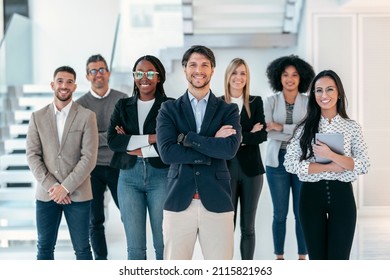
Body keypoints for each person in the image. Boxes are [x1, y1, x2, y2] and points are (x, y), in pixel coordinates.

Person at [156, 45, 242, 260]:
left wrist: (188, 139)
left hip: (217, 201)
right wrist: (213, 144)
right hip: (178, 201)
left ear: (213, 70)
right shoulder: (169, 109)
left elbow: (229, 149)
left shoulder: (228, 110)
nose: (199, 70)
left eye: (205, 65)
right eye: (193, 64)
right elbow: (167, 153)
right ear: (184, 69)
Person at [284, 70, 370, 260]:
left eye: (330, 89)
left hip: (342, 197)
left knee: (339, 260)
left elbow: (364, 164)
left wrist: (330, 155)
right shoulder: (303, 128)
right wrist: (330, 166)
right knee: (317, 260)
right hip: (310, 197)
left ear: (339, 92)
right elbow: (289, 163)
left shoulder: (352, 127)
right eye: (319, 90)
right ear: (313, 95)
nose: (324, 95)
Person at [26, 66, 98, 260]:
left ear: (74, 86)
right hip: (46, 194)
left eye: (69, 82)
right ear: (52, 84)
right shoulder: (37, 117)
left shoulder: (87, 116)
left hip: (79, 194)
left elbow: (89, 157)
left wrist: (65, 187)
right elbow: (32, 155)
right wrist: (54, 187)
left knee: (82, 249)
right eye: (60, 81)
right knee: (44, 248)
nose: (64, 86)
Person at [107, 55, 171, 260]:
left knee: (163, 244)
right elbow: (113, 141)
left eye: (151, 73)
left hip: (161, 175)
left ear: (159, 77)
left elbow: (173, 142)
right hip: (128, 177)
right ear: (134, 76)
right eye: (139, 73)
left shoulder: (170, 106)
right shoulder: (122, 105)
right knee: (135, 248)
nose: (145, 77)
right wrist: (153, 137)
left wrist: (133, 142)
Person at [76, 54, 128, 260]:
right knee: (94, 220)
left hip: (119, 165)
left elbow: (127, 133)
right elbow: (82, 139)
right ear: (87, 76)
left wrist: (95, 136)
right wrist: (112, 135)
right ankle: (101, 263)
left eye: (101, 69)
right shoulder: (80, 104)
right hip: (92, 167)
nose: (98, 74)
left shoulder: (122, 99)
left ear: (108, 72)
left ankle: (134, 258)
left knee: (129, 215)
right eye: (93, 71)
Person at [264, 55, 315, 260]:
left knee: (301, 212)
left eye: (294, 75)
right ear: (279, 77)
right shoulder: (270, 101)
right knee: (279, 213)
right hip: (276, 163)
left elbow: (309, 132)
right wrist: (295, 130)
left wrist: (281, 127)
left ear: (301, 77)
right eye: (285, 75)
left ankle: (303, 256)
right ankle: (279, 256)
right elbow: (268, 131)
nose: (290, 79)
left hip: (301, 162)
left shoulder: (309, 102)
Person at [222, 58, 267, 260]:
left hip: (252, 172)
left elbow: (262, 135)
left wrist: (236, 137)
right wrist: (248, 134)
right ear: (228, 76)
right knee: (226, 227)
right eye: (235, 73)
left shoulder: (255, 102)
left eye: (243, 73)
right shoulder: (218, 103)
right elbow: (216, 138)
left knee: (248, 227)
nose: (239, 77)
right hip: (225, 171)